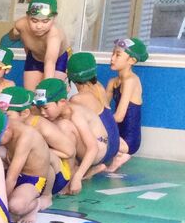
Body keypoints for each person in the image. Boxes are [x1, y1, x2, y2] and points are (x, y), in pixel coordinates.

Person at [0, 86, 55, 223]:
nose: (1, 119)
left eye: (6, 115)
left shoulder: (26, 136)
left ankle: (38, 203)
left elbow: (12, 178)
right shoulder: (5, 128)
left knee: (15, 206)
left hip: (31, 179)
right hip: (13, 173)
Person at [33, 77, 100, 194]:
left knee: (64, 127)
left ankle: (71, 177)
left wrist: (77, 178)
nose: (42, 112)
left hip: (96, 152)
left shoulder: (75, 115)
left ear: (62, 102)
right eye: (40, 108)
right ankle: (86, 170)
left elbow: (93, 148)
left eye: (46, 108)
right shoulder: (54, 113)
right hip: (81, 151)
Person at [67, 52, 126, 175]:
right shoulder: (99, 87)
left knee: (67, 127)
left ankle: (81, 170)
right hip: (114, 146)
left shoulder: (78, 99)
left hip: (102, 151)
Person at [7, 0, 68, 90]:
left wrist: (46, 90)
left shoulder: (54, 35)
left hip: (57, 60)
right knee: (30, 94)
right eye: (34, 21)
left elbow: (50, 62)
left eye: (45, 21)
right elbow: (10, 39)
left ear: (54, 18)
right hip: (34, 57)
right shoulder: (20, 25)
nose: (39, 26)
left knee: (52, 93)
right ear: (27, 17)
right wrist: (15, 35)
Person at [107, 36, 146, 166]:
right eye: (112, 53)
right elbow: (103, 109)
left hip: (129, 141)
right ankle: (117, 155)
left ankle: (121, 154)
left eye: (118, 55)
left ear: (131, 60)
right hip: (117, 136)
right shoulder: (112, 82)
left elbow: (119, 116)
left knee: (92, 138)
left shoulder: (131, 81)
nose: (112, 58)